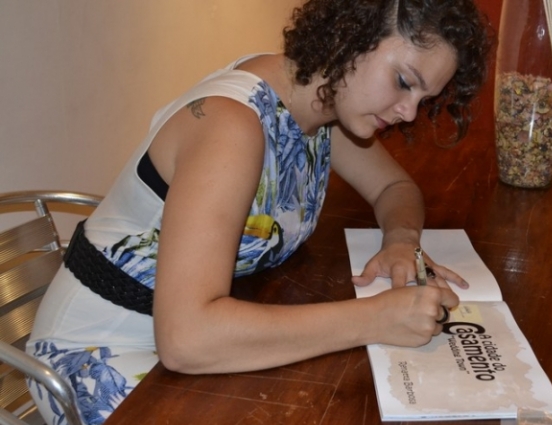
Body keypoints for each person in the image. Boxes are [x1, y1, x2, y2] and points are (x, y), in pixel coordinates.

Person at [26, 0, 493, 423]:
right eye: (404, 82)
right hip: (97, 354)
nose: (409, 112)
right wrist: (376, 317)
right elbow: (186, 339)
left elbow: (394, 187)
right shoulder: (234, 126)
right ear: (354, 33)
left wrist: (400, 242)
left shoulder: (320, 109)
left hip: (191, 344)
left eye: (423, 99)